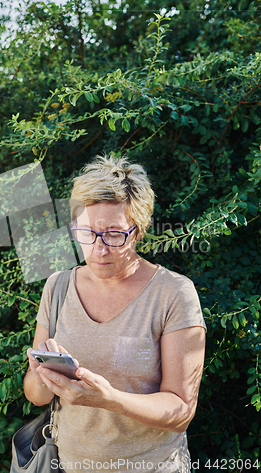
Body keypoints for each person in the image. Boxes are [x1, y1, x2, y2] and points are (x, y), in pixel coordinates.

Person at [24, 154, 206, 473]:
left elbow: (180, 411)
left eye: (114, 234)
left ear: (138, 230)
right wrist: (45, 375)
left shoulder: (173, 293)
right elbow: (35, 395)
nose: (99, 249)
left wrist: (107, 398)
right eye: (86, 233)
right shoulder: (58, 286)